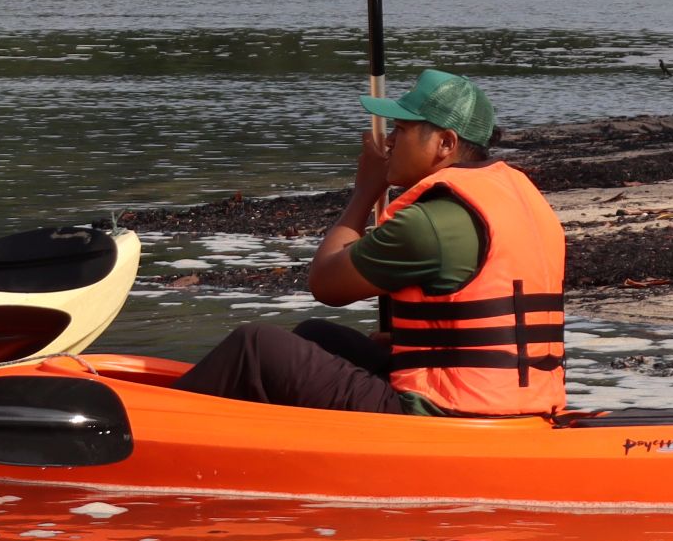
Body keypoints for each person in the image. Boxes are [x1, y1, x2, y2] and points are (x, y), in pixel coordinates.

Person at [174, 70, 565, 416]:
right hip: (518, 400)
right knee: (317, 336)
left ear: (445, 143)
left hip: (447, 413)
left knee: (254, 346)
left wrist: (365, 191)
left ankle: (163, 430)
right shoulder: (520, 198)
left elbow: (326, 283)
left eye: (402, 130)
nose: (390, 142)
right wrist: (409, 339)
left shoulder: (431, 223)